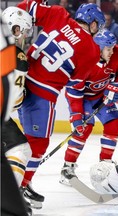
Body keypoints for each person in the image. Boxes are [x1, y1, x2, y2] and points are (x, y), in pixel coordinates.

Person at [16, 0, 105, 210]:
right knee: (38, 145)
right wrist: (77, 116)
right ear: (92, 23)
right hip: (41, 95)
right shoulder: (92, 51)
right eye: (97, 26)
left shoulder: (58, 13)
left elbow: (26, 7)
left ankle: (22, 182)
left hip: (20, 77)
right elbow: (75, 85)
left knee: (18, 137)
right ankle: (19, 187)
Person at [59, 29, 118, 186]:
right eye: (108, 49)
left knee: (114, 122)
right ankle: (67, 168)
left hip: (100, 95)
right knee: (83, 129)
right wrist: (76, 116)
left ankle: (105, 163)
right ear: (98, 48)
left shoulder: (117, 53)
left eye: (112, 47)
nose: (112, 52)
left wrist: (116, 85)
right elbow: (73, 91)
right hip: (82, 98)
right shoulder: (84, 60)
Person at [1, 6, 35, 215]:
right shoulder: (16, 55)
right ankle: (7, 198)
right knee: (20, 149)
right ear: (15, 29)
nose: (23, 36)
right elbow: (13, 99)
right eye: (23, 31)